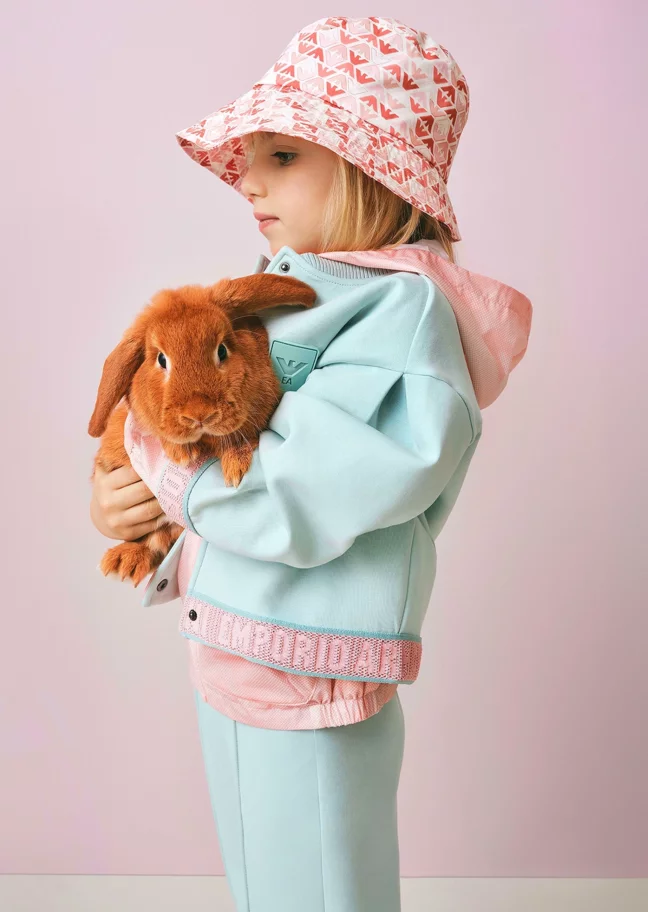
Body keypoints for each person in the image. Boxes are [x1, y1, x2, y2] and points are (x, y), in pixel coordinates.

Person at [90, 16, 532, 912]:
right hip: (238, 645)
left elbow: (303, 489)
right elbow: (217, 435)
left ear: (374, 170)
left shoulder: (399, 315)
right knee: (270, 885)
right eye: (253, 158)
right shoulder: (298, 296)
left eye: (283, 156)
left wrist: (160, 464)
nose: (249, 180)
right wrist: (129, 500)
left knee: (322, 889)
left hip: (311, 671)